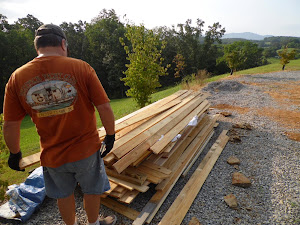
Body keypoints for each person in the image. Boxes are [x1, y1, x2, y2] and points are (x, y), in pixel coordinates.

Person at [3, 24, 117, 225]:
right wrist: (110, 134)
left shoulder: (17, 77)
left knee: (63, 194)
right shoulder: (81, 67)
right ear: (63, 44)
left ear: (37, 47)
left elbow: (11, 124)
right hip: (86, 150)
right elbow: (104, 106)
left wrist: (15, 153)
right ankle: (93, 223)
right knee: (92, 190)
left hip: (52, 155)